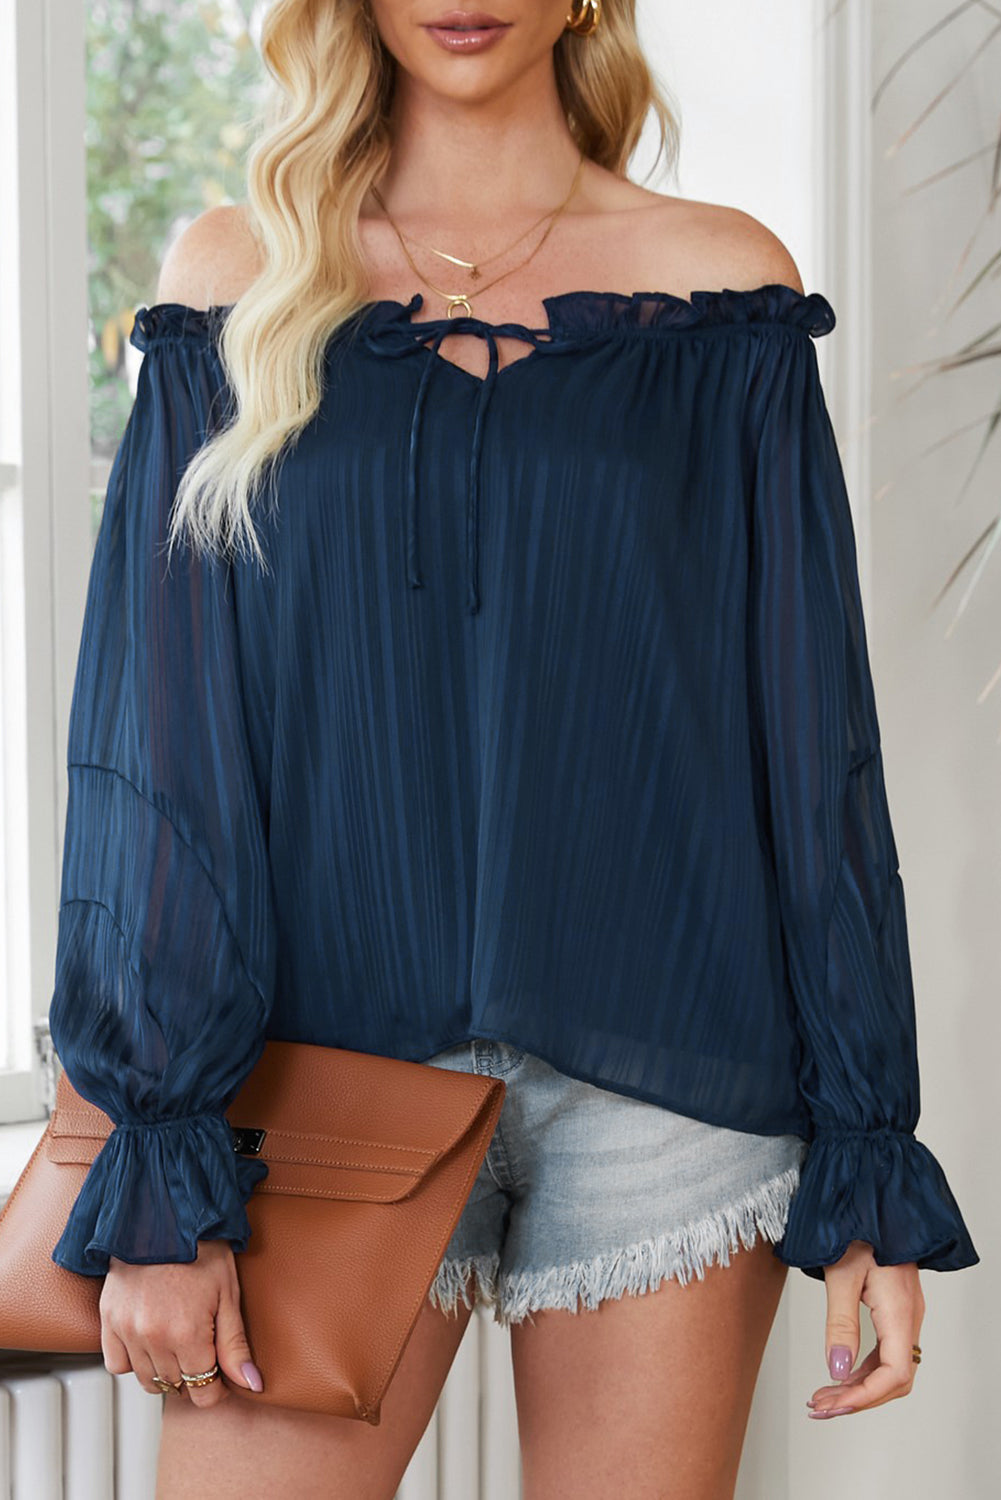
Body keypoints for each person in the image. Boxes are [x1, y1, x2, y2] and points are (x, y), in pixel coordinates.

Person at [48, 2, 978, 1497]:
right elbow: (160, 741)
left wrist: (868, 1150)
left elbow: (809, 738)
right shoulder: (237, 279)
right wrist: (160, 1144)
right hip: (317, 1078)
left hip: (672, 1076)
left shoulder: (725, 290)